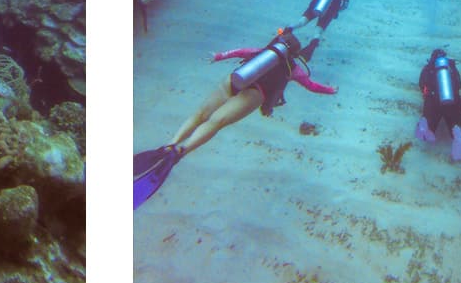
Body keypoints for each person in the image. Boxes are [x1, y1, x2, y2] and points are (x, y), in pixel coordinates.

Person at [134, 27, 338, 209]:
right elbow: (312, 86)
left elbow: (240, 52)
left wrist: (219, 56)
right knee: (216, 122)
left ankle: (171, 143)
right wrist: (330, 90)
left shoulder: (263, 53)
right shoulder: (294, 69)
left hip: (235, 79)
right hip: (255, 94)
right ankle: (180, 151)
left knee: (200, 115)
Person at [415, 48, 461, 161]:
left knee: (429, 120)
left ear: (432, 59)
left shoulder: (428, 68)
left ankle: (425, 124)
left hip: (433, 100)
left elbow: (422, 84)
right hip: (452, 100)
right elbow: (459, 84)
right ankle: (457, 133)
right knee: (455, 124)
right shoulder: (451, 67)